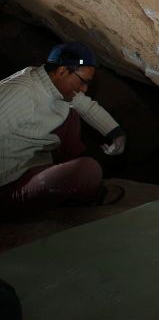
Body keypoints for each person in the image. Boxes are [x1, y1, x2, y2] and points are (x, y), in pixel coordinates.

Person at [0, 42, 126, 213]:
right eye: (83, 82)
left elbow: (87, 107)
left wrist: (117, 134)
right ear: (62, 71)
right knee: (89, 170)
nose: (84, 89)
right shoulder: (19, 94)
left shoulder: (50, 81)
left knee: (71, 115)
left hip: (29, 160)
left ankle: (65, 177)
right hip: (9, 182)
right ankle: (77, 194)